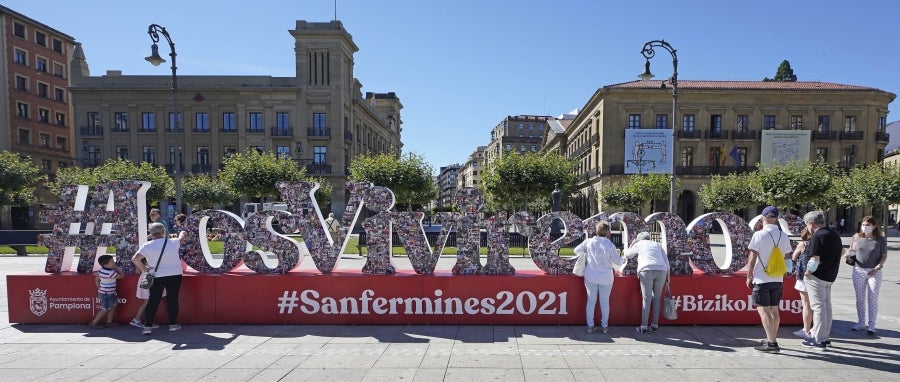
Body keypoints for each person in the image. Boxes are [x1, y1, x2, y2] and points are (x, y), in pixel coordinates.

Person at [746, 206, 793, 353]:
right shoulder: (783, 236)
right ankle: (772, 338)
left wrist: (749, 275)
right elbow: (788, 257)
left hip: (762, 278)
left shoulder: (759, 235)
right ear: (777, 219)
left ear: (762, 217)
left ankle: (772, 343)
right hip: (777, 279)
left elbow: (752, 257)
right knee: (774, 310)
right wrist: (787, 272)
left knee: (763, 310)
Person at [132, 222, 183, 335]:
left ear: (151, 234)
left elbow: (135, 259)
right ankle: (173, 325)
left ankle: (148, 326)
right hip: (175, 274)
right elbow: (182, 237)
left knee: (153, 300)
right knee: (172, 299)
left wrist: (144, 268)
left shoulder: (147, 245)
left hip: (157, 275)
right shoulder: (173, 242)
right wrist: (182, 232)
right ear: (164, 232)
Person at [802, 210, 843, 350]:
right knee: (826, 307)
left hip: (817, 276)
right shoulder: (834, 233)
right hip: (830, 275)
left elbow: (814, 259)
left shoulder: (817, 236)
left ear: (811, 224)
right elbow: (841, 252)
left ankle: (819, 339)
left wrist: (807, 272)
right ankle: (825, 337)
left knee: (818, 307)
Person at [573, 220, 624, 334]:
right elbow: (618, 261)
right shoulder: (610, 245)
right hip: (606, 278)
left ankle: (590, 326)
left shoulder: (589, 242)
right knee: (605, 302)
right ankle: (605, 326)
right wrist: (624, 258)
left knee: (591, 301)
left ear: (596, 230)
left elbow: (576, 250)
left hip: (591, 276)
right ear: (608, 232)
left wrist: (586, 254)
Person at [845, 216, 888, 335]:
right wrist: (849, 253)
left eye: (868, 225)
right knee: (860, 298)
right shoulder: (857, 237)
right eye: (863, 224)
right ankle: (861, 322)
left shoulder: (880, 239)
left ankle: (872, 324)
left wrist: (877, 267)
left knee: (872, 298)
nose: (865, 227)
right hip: (858, 270)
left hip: (874, 271)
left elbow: (884, 255)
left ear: (874, 226)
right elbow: (851, 251)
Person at [624, 231, 670, 334]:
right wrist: (668, 276)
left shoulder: (639, 244)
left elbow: (627, 255)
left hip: (646, 269)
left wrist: (632, 244)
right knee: (657, 298)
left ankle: (644, 326)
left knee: (647, 299)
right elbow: (666, 261)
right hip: (661, 270)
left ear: (639, 239)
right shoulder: (657, 244)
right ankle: (654, 325)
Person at [791, 227, 814, 340]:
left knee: (806, 305)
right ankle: (819, 330)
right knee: (818, 306)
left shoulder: (803, 244)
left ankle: (807, 330)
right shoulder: (820, 244)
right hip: (819, 277)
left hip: (804, 277)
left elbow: (794, 257)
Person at [90, 255, 124, 329]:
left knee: (113, 306)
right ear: (106, 264)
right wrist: (117, 268)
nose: (114, 262)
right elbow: (122, 276)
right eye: (112, 261)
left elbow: (96, 279)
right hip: (108, 293)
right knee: (106, 308)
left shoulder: (101, 271)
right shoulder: (111, 273)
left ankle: (109, 322)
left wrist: (99, 287)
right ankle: (94, 323)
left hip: (106, 292)